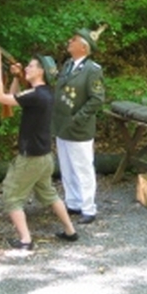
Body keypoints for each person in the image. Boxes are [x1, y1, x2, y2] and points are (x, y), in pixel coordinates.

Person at [0, 50, 79, 250]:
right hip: (45, 156)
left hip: (30, 158)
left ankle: (25, 240)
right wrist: (16, 77)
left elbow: (0, 97)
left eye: (31, 66)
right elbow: (15, 97)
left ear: (41, 72)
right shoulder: (46, 93)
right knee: (49, 194)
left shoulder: (35, 95)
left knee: (12, 196)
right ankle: (70, 231)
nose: (27, 68)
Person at [53, 28, 105, 224]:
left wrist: (79, 118)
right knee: (67, 167)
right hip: (62, 125)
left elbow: (97, 98)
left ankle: (88, 208)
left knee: (82, 168)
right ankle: (73, 202)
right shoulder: (68, 65)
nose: (69, 41)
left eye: (73, 39)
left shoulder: (92, 70)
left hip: (79, 128)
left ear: (83, 47)